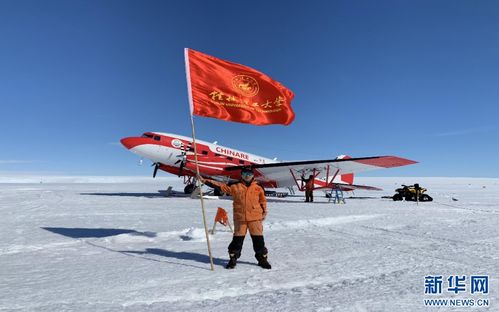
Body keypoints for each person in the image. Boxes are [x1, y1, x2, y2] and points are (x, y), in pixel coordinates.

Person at [199, 168, 271, 269]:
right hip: (240, 218)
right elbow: (221, 186)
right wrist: (205, 181)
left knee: (258, 240)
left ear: (253, 175)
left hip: (255, 218)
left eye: (249, 174)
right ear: (241, 175)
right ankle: (233, 258)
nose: (247, 176)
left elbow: (263, 201)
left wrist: (263, 213)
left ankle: (262, 259)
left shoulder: (258, 187)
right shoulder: (235, 186)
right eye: (245, 173)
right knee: (237, 240)